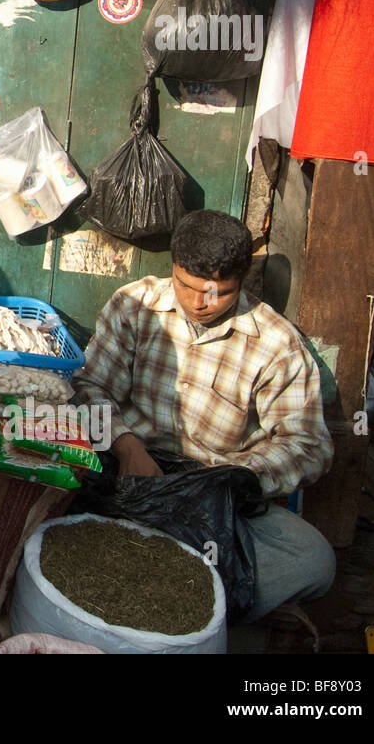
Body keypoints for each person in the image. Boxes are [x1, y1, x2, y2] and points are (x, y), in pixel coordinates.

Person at [72, 209, 335, 622]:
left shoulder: (277, 344)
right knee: (52, 495)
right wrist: (126, 447)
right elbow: (89, 388)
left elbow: (308, 445)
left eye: (219, 293)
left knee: (315, 559)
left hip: (216, 490)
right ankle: (191, 591)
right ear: (172, 268)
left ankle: (179, 602)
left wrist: (232, 478)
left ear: (243, 281)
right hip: (132, 470)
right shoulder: (133, 305)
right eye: (186, 286)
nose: (199, 303)